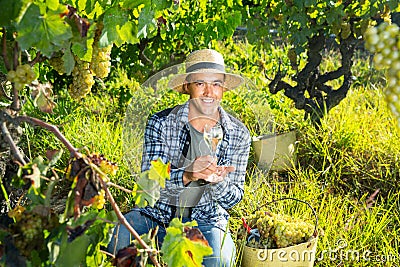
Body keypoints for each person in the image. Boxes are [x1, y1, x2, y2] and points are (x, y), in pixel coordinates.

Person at [107, 49, 251, 266]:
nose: (209, 93)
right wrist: (187, 174)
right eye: (200, 83)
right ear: (187, 86)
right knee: (116, 241)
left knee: (219, 262)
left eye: (216, 84)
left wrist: (217, 182)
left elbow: (234, 198)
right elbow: (149, 184)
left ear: (223, 89)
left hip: (206, 221)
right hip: (156, 215)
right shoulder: (160, 123)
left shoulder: (238, 133)